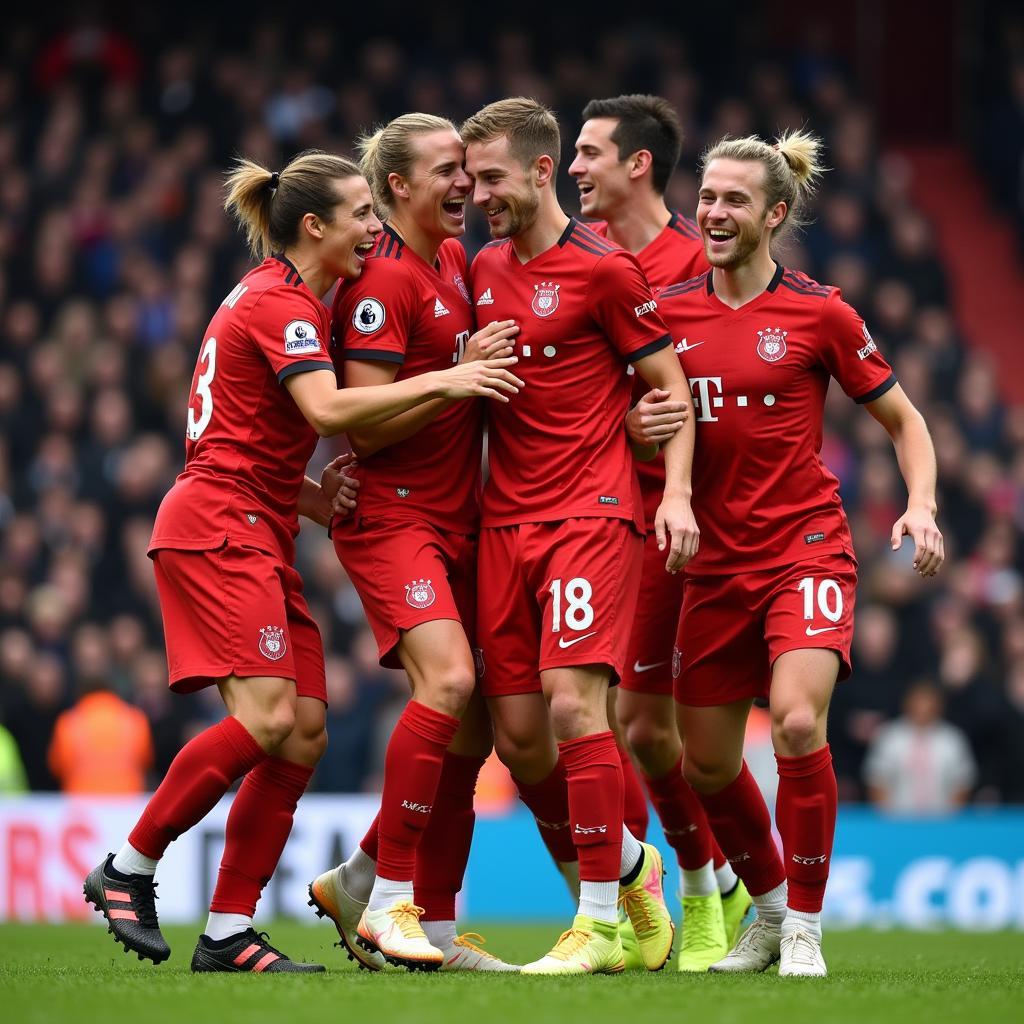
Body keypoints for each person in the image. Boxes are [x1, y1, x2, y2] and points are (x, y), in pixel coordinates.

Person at [83, 149, 522, 973]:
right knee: (267, 721)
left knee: (303, 734)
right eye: (360, 215)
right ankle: (129, 864)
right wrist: (453, 378)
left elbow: (247, 430)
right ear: (314, 225)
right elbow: (323, 408)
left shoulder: (286, 301)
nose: (371, 231)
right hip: (220, 527)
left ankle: (225, 932)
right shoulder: (283, 302)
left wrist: (312, 498)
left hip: (257, 520)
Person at [655, 130, 943, 977]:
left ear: (774, 214)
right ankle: (773, 906)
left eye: (733, 200)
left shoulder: (820, 312)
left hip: (803, 548)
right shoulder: (664, 314)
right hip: (708, 564)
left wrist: (921, 507)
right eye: (706, 196)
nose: (713, 211)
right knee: (704, 761)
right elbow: (627, 425)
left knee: (792, 720)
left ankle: (808, 928)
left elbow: (907, 423)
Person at [462, 97, 699, 975]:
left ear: (538, 170)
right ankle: (633, 864)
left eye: (491, 177)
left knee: (573, 705)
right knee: (520, 737)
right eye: (472, 178)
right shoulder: (480, 269)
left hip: (589, 516)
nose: (478, 193)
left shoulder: (605, 271)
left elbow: (671, 396)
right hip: (503, 523)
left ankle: (597, 922)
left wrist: (674, 495)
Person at [307, 114, 520, 973]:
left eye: (467, 169)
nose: (465, 183)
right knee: (453, 680)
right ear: (397, 186)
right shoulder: (382, 281)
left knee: (470, 723)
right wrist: (459, 377)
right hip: (394, 513)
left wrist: (476, 364)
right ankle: (388, 902)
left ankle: (411, 910)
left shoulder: (453, 263)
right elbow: (370, 423)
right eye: (446, 170)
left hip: (457, 514)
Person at [568, 92, 750, 971]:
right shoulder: (581, 258)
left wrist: (673, 431)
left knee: (647, 727)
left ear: (638, 163)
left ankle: (701, 886)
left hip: (688, 521)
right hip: (601, 517)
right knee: (620, 723)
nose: (573, 170)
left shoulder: (697, 258)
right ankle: (685, 887)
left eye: (589, 153)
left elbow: (725, 372)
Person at [864, 681, 976, 812]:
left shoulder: (953, 739)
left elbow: (962, 784)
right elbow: (877, 781)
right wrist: (888, 820)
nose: (922, 708)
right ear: (907, 703)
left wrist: (950, 821)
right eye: (918, 702)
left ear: (938, 706)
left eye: (928, 702)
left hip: (942, 823)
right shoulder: (889, 737)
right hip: (897, 822)